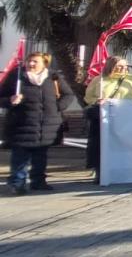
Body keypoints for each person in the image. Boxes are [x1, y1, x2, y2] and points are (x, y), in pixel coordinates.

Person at [0, 52, 76, 194]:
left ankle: (38, 181)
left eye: (35, 61)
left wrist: (57, 107)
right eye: (29, 61)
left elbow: (68, 95)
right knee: (20, 157)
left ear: (44, 63)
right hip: (21, 125)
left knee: (40, 156)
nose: (31, 64)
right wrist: (10, 100)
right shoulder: (16, 76)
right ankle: (17, 183)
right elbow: (1, 97)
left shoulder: (53, 77)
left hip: (46, 126)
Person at [84, 55, 132, 179]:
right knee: (100, 145)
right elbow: (88, 97)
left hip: (125, 117)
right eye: (119, 66)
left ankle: (125, 170)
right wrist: (97, 100)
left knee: (124, 144)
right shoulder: (99, 80)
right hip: (103, 118)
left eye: (125, 66)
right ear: (111, 66)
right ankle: (100, 172)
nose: (123, 69)